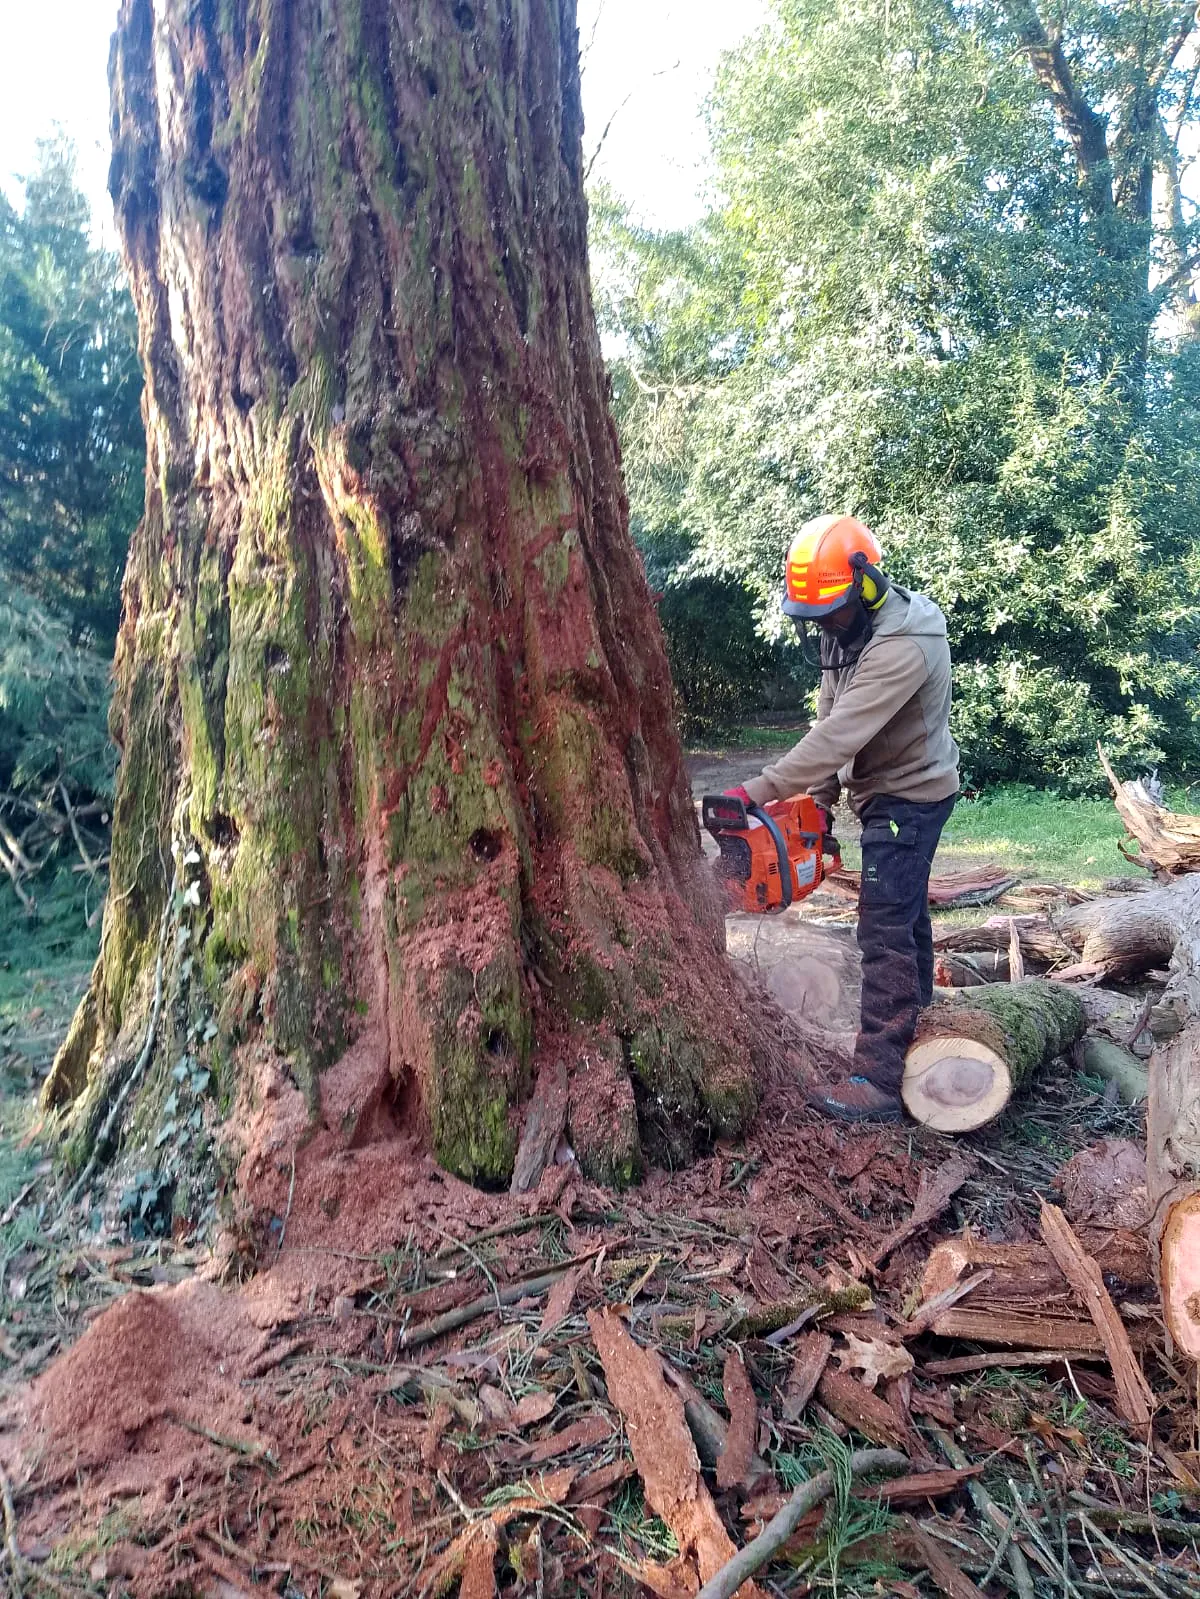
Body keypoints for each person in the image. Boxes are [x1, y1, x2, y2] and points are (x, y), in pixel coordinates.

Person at [728, 514, 959, 1122]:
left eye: (831, 611)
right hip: (882, 794)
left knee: (883, 927)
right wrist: (819, 806)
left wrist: (756, 791)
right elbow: (829, 719)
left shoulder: (906, 641)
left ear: (866, 584)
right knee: (906, 916)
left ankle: (878, 1079)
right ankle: (921, 1023)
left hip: (911, 798)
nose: (825, 625)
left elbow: (842, 735)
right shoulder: (845, 632)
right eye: (816, 617)